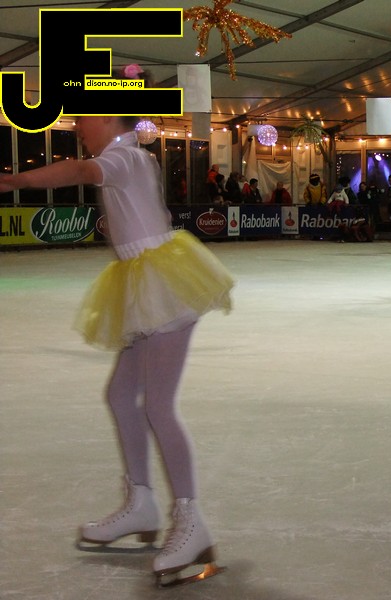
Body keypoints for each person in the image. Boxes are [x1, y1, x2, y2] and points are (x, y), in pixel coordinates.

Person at [0, 113, 233, 586]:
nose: (77, 128)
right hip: (143, 284)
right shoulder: (128, 158)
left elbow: (81, 171)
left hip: (164, 287)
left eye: (82, 119)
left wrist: (15, 181)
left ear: (107, 117)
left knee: (158, 406)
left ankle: (191, 521)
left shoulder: (123, 157)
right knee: (122, 396)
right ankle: (142, 503)